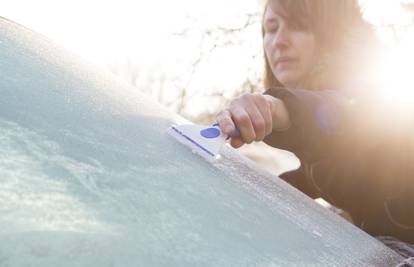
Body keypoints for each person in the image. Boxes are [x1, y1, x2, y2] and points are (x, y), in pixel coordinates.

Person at [216, 0, 414, 262]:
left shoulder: (374, 88)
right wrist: (256, 190)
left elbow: (346, 116)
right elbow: (330, 170)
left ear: (333, 31)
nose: (280, 41)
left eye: (298, 25)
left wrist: (278, 108)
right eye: (271, 28)